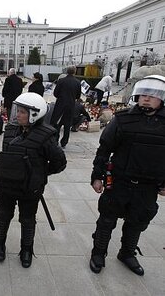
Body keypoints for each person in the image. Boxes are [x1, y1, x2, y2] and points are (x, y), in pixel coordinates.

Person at [89, 75, 165, 276]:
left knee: (137, 221)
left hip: (147, 186)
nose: (146, 98)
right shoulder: (123, 119)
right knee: (106, 220)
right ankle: (98, 252)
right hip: (120, 181)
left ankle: (127, 253)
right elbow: (104, 150)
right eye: (143, 94)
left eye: (152, 95)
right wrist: (97, 176)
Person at [0, 92, 67, 268]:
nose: (17, 115)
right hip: (7, 185)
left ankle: (26, 249)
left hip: (29, 188)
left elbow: (60, 163)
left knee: (27, 219)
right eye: (17, 111)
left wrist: (39, 174)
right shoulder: (10, 130)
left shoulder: (46, 136)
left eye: (22, 112)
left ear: (35, 114)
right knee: (3, 216)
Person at [50, 66, 81, 148]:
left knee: (56, 123)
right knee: (67, 124)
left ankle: (55, 139)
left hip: (60, 104)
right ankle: (64, 141)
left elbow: (55, 93)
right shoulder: (77, 82)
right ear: (74, 72)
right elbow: (78, 96)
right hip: (70, 105)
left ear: (67, 72)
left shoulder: (61, 81)